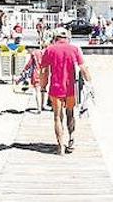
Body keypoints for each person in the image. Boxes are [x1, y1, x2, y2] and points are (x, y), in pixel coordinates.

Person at [38, 27, 92, 155]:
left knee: (57, 117)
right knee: (70, 113)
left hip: (56, 88)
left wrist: (43, 86)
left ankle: (61, 146)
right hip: (70, 89)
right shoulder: (74, 49)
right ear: (67, 37)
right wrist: (90, 84)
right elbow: (83, 68)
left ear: (55, 37)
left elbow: (44, 71)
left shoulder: (49, 49)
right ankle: (71, 138)